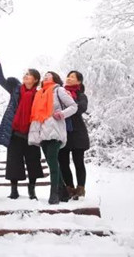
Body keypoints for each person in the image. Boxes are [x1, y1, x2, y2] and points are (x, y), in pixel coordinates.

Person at [0, 51, 44, 200]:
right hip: (15, 133)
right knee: (13, 162)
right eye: (25, 74)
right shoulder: (15, 89)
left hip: (32, 133)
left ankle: (32, 189)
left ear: (35, 79)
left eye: (29, 74)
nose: (25, 76)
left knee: (33, 162)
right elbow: (1, 80)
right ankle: (14, 190)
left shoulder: (39, 94)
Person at [28, 72, 78, 204]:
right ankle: (64, 193)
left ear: (55, 78)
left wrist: (62, 114)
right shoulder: (40, 93)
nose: (45, 76)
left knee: (53, 163)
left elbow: (74, 107)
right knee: (52, 163)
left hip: (55, 131)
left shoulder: (58, 90)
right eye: (44, 75)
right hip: (42, 132)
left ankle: (54, 194)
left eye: (48, 75)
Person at [58, 71, 89, 200]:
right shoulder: (60, 93)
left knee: (78, 162)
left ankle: (80, 189)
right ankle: (69, 188)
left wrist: (70, 104)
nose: (69, 79)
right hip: (62, 132)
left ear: (79, 82)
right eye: (68, 77)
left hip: (77, 133)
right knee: (63, 163)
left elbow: (81, 108)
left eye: (72, 77)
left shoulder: (81, 95)